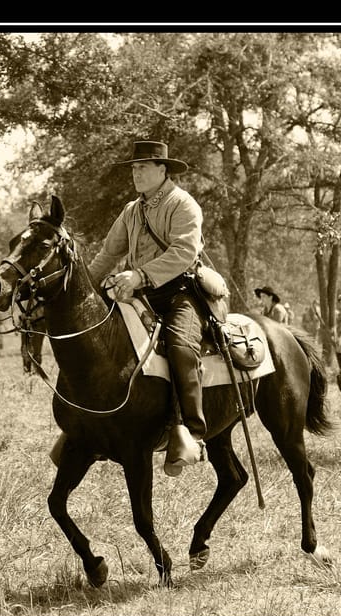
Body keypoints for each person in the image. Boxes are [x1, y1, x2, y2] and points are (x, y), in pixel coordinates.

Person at [87, 140, 207, 475]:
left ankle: (192, 434)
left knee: (182, 348)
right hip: (137, 293)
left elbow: (184, 253)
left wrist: (139, 275)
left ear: (162, 169)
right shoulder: (131, 210)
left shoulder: (184, 205)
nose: (135, 173)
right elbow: (109, 253)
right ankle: (93, 426)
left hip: (179, 293)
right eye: (133, 168)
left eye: (142, 167)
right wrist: (87, 289)